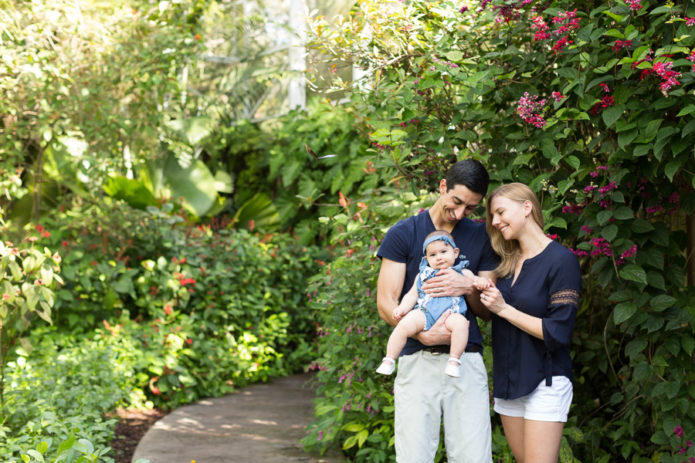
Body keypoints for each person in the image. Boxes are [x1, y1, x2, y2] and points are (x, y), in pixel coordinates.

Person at [376, 159, 498, 463]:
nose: (460, 214)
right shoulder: (403, 233)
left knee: (473, 458)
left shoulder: (482, 236)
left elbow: (487, 312)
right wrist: (421, 331)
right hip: (416, 361)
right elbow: (386, 301)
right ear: (442, 187)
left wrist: (466, 286)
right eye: (456, 202)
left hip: (465, 361)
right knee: (413, 457)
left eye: (470, 208)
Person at [477, 182, 581, 463]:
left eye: (500, 212)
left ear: (526, 207)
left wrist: (503, 308)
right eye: (492, 217)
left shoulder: (562, 261)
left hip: (545, 381)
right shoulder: (506, 263)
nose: (495, 222)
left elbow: (557, 332)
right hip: (509, 383)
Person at [376, 230, 490, 378]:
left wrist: (480, 282)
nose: (439, 258)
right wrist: (402, 309)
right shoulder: (423, 274)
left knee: (461, 324)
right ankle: (389, 359)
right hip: (425, 313)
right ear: (426, 258)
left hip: (451, 314)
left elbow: (475, 281)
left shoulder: (462, 272)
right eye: (433, 255)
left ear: (455, 253)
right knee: (404, 325)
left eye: (443, 251)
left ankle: (454, 360)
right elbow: (412, 295)